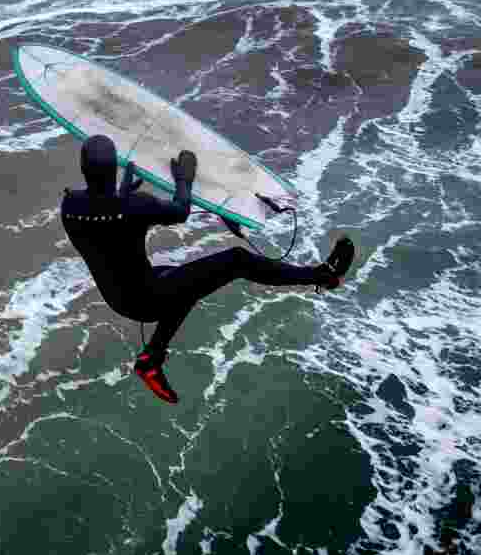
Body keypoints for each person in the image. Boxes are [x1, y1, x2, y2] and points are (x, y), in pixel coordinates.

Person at [61, 135, 357, 404]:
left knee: (187, 282)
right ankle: (324, 276)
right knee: (236, 260)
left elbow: (106, 223)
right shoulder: (135, 206)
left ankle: (152, 359)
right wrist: (183, 180)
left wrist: (121, 194)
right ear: (114, 168)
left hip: (119, 297)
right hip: (149, 297)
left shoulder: (70, 207)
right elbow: (179, 211)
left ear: (83, 168)